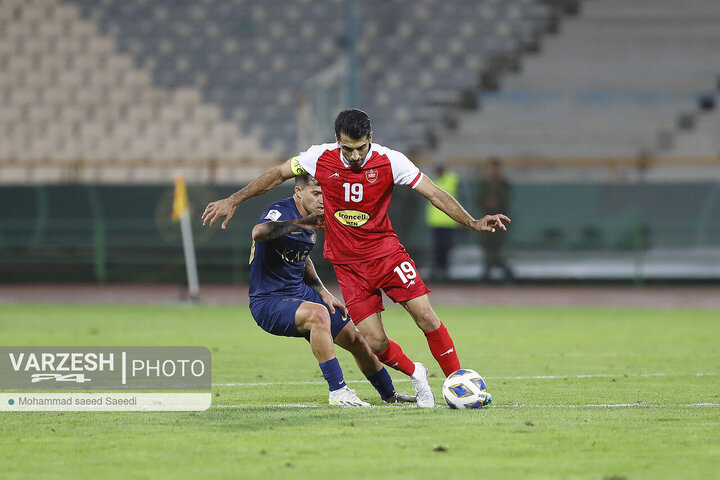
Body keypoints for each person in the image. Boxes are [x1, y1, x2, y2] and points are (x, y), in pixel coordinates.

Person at [203, 108, 510, 408]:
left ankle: (456, 382)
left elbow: (434, 193)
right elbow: (276, 175)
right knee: (374, 342)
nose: (354, 156)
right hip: (349, 267)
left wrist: (471, 221)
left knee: (426, 316)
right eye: (347, 149)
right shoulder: (318, 157)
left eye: (360, 148)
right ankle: (416, 373)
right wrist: (234, 199)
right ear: (337, 142)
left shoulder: (391, 161)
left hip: (386, 254)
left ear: (370, 138)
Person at [248, 173, 415, 407]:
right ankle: (338, 391)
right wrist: (301, 223)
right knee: (318, 315)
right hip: (268, 301)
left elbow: (303, 260)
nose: (322, 200)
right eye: (316, 193)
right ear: (298, 192)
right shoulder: (282, 211)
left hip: (302, 294)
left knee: (358, 339)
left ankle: (390, 395)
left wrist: (323, 292)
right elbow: (259, 232)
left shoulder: (313, 217)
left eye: (325, 194)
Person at [478, 157, 514, 282]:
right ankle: (489, 271)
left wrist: (496, 202)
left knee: (498, 248)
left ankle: (502, 270)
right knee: (488, 247)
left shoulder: (504, 183)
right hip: (488, 221)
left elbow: (506, 198)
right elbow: (479, 198)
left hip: (500, 222)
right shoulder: (484, 183)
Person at [425, 162, 460, 281]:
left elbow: (462, 198)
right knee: (438, 248)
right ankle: (439, 270)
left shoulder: (453, 179)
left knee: (446, 248)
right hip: (436, 222)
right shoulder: (434, 181)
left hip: (449, 221)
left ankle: (445, 270)